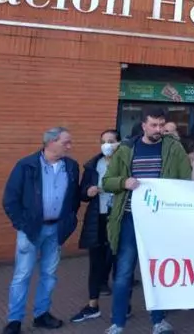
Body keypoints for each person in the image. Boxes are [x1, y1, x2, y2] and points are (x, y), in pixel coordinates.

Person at [102, 108, 192, 334]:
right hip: (130, 219)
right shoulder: (126, 149)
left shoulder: (174, 148)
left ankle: (159, 321)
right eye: (153, 125)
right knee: (124, 272)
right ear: (143, 125)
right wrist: (123, 182)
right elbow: (107, 181)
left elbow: (185, 182)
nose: (158, 129)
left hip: (160, 221)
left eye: (161, 125)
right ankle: (118, 322)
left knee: (157, 271)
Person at [2, 127, 80, 334]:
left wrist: (69, 220)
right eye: (66, 142)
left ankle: (41, 315)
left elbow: (73, 198)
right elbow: (10, 199)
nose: (70, 146)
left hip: (56, 229)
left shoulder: (71, 166)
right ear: (51, 142)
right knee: (22, 275)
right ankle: (14, 321)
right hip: (31, 229)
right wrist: (23, 224)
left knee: (49, 274)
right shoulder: (26, 165)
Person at [70, 130, 121, 324]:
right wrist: (88, 191)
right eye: (103, 141)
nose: (107, 145)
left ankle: (122, 306)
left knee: (119, 262)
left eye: (111, 141)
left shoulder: (125, 163)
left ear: (119, 143)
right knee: (95, 262)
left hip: (117, 218)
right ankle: (92, 305)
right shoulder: (93, 165)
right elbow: (82, 194)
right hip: (97, 218)